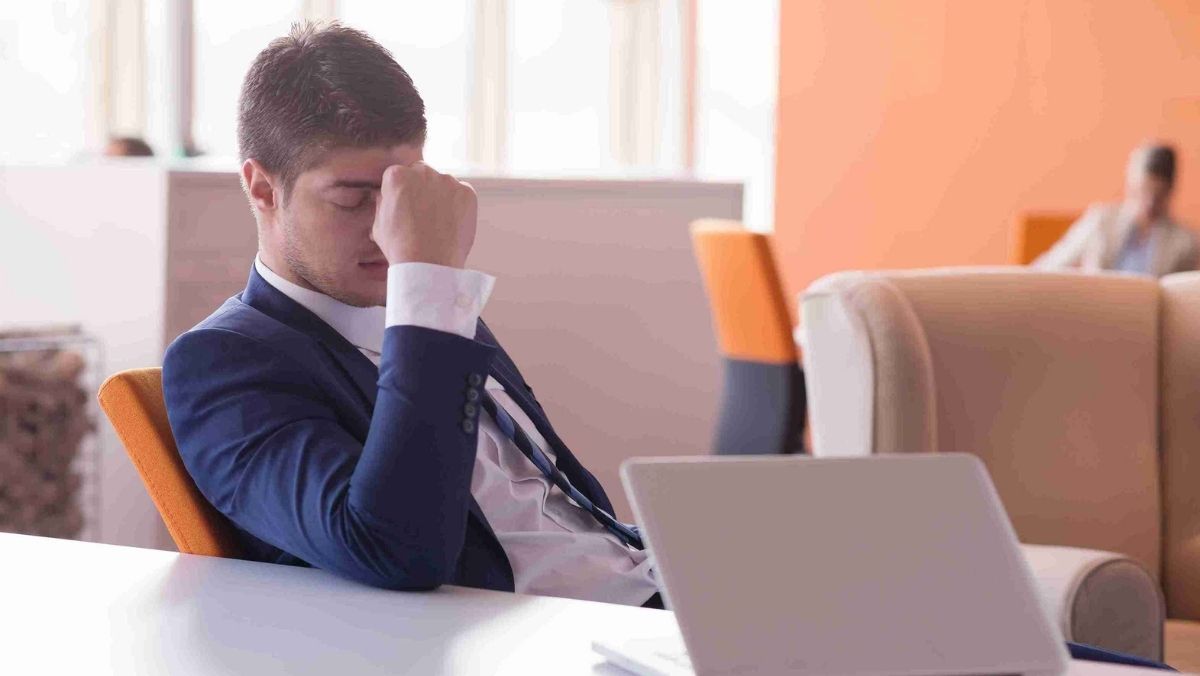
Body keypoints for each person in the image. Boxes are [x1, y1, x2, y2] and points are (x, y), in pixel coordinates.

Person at [162, 22, 1170, 670]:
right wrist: (429, 284)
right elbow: (396, 547)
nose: (390, 225)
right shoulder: (228, 366)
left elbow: (556, 502)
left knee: (1074, 661)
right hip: (570, 646)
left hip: (666, 600)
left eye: (406, 191)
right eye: (354, 198)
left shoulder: (418, 313)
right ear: (260, 185)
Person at [1034, 143, 1198, 276]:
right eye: (1143, 190)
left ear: (1170, 192)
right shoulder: (1101, 221)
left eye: (1158, 195)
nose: (1149, 202)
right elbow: (1051, 266)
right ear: (1131, 185)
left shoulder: (1186, 242)